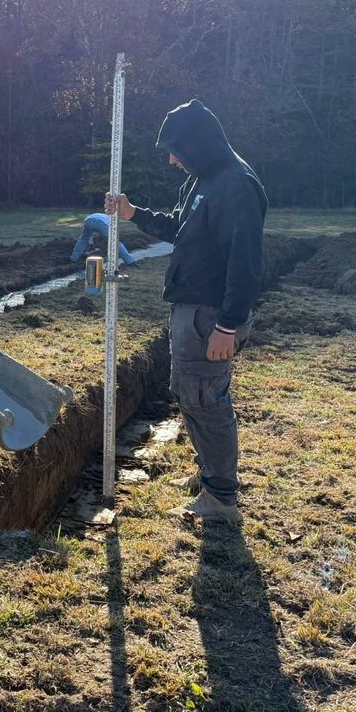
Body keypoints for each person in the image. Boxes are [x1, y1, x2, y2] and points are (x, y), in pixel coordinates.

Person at [105, 99, 266, 525]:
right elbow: (180, 227)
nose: (173, 161)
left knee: (206, 401)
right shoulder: (204, 180)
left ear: (197, 143)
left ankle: (220, 498)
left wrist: (227, 325)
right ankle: (210, 474)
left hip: (211, 317)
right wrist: (134, 214)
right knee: (190, 394)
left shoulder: (235, 186)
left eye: (176, 151)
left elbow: (245, 264)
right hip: (192, 313)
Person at [69, 212, 136, 265]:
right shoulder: (112, 220)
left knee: (83, 240)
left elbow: (89, 235)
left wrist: (91, 244)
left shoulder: (99, 215)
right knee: (115, 242)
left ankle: (73, 258)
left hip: (88, 220)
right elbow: (112, 233)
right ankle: (130, 262)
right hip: (102, 223)